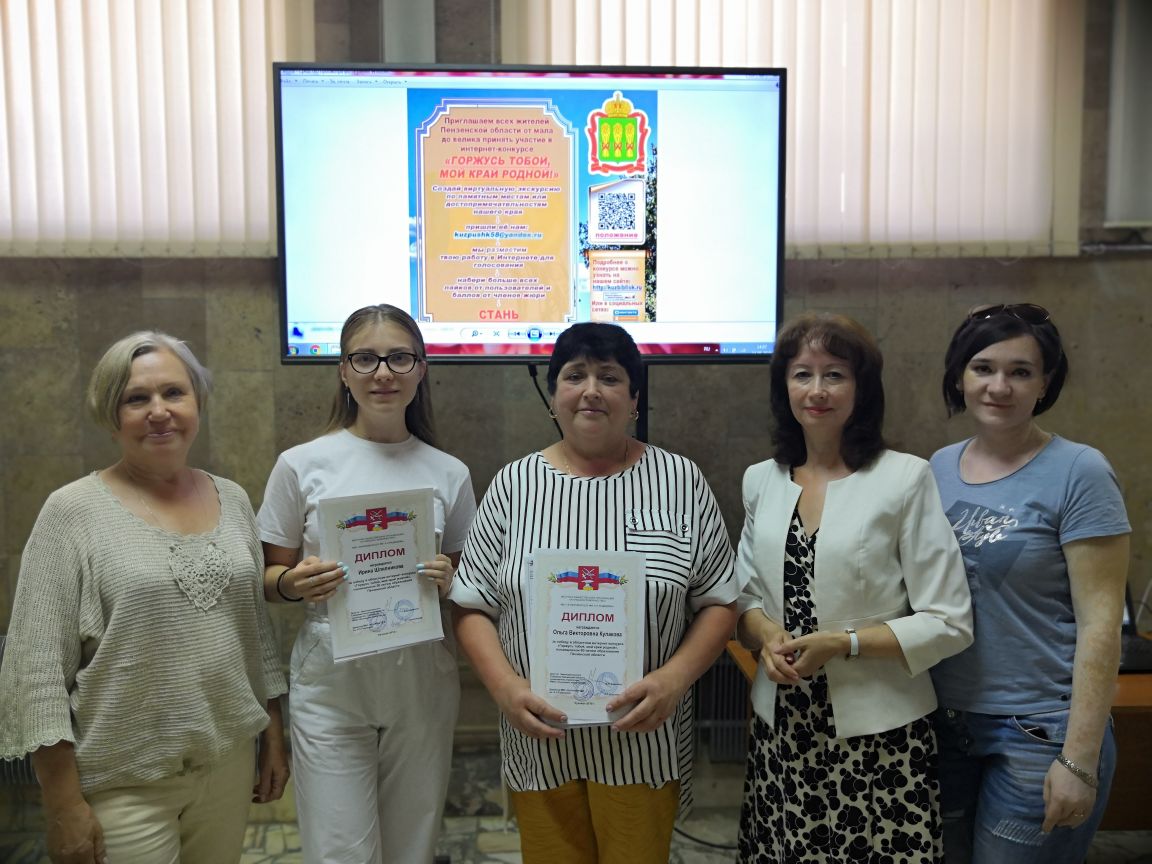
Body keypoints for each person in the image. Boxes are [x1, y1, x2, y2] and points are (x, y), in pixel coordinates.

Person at [450, 322, 740, 864]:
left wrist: (675, 679)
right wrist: (505, 688)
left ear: (634, 400)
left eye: (609, 377)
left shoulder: (680, 480)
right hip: (541, 739)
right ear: (553, 397)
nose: (591, 390)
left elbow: (720, 600)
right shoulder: (514, 485)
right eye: (574, 376)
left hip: (643, 740)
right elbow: (470, 604)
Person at [0, 332, 288, 864]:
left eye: (174, 393)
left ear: (197, 401)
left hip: (227, 765)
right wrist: (61, 801)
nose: (159, 412)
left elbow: (253, 632)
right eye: (137, 398)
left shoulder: (232, 498)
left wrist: (272, 731)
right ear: (111, 414)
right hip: (123, 782)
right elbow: (34, 670)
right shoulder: (71, 512)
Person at [735, 313, 973, 863]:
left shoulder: (904, 478)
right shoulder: (761, 479)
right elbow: (744, 598)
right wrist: (766, 635)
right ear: (784, 386)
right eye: (802, 374)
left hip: (880, 737)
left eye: (835, 375)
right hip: (784, 731)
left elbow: (950, 620)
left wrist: (844, 643)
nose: (817, 390)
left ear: (861, 387)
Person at [257, 304, 476, 864]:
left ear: (421, 369)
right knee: (340, 851)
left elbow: (464, 583)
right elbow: (267, 578)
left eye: (399, 358)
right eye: (365, 359)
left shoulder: (449, 472)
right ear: (343, 370)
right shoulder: (301, 465)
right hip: (332, 679)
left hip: (420, 678)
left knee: (411, 848)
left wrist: (449, 580)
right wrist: (295, 583)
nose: (383, 373)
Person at [929, 303, 1131, 863]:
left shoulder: (1080, 471)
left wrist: (1079, 759)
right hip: (944, 723)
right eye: (983, 368)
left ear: (1045, 383)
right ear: (959, 376)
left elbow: (1100, 624)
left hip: (1039, 732)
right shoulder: (937, 468)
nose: (999, 386)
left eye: (1020, 371)